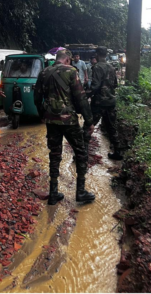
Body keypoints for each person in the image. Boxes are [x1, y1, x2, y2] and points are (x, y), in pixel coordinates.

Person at [34, 48, 95, 205]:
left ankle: (53, 193)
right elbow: (81, 98)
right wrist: (89, 121)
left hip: (51, 121)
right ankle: (80, 191)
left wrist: (42, 115)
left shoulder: (44, 72)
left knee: (54, 154)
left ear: (57, 59)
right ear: (67, 59)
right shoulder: (71, 71)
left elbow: (37, 97)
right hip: (69, 120)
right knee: (80, 152)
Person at [90, 47, 122, 160]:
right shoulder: (111, 67)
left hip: (99, 103)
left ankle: (81, 153)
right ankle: (118, 152)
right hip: (111, 102)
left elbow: (95, 86)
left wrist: (86, 95)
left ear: (97, 54)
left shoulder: (97, 67)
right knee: (112, 127)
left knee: (89, 126)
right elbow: (115, 85)